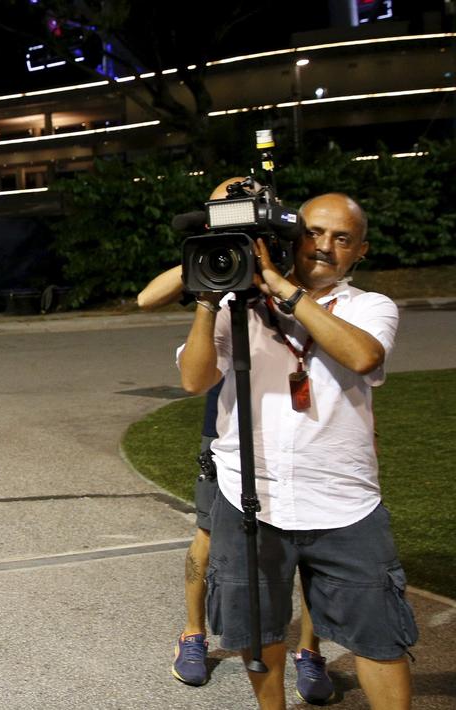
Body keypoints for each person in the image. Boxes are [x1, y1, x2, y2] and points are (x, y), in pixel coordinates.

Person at [177, 193, 416, 709]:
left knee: (378, 636)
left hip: (343, 502)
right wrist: (207, 300)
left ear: (361, 250)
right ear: (293, 237)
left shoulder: (369, 307)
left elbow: (363, 356)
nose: (324, 246)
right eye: (314, 233)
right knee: (259, 630)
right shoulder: (240, 309)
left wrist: (283, 289)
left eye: (341, 238)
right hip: (249, 498)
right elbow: (194, 379)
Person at [139, 180, 331, 699]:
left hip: (297, 417)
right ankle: (193, 634)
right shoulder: (212, 260)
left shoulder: (286, 258)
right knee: (209, 531)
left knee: (312, 541)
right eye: (221, 207)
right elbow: (147, 298)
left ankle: (310, 650)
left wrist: (265, 262)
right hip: (225, 412)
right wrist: (208, 255)